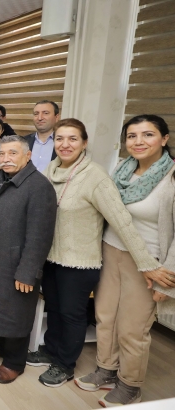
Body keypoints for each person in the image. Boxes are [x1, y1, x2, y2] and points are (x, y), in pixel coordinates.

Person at [28, 118, 167, 388]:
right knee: (54, 308)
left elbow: (121, 221)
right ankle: (51, 350)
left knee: (71, 313)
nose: (65, 145)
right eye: (60, 139)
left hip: (80, 261)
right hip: (51, 256)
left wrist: (146, 263)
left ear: (84, 143)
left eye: (73, 139)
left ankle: (65, 364)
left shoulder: (95, 176)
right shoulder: (50, 170)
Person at [73, 115, 175, 406]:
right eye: (132, 136)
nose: (139, 141)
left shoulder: (171, 178)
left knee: (133, 328)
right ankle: (106, 369)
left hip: (149, 264)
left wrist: (167, 280)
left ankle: (130, 385)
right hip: (110, 251)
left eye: (148, 134)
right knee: (105, 317)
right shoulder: (122, 170)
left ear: (164, 139)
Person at [0, 135, 57, 384]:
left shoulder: (39, 187)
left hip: (17, 265)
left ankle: (14, 362)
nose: (6, 158)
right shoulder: (1, 179)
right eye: (2, 153)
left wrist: (28, 272)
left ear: (27, 156)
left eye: (13, 153)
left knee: (15, 313)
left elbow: (40, 236)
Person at [24, 100, 60, 172]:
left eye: (45, 113)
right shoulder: (23, 141)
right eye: (36, 114)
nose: (40, 118)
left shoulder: (63, 144)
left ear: (56, 117)